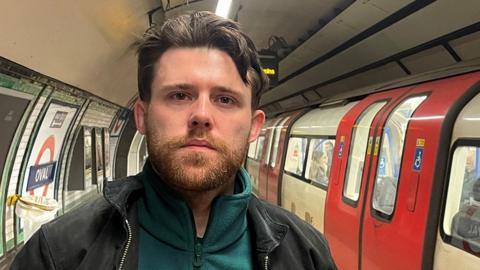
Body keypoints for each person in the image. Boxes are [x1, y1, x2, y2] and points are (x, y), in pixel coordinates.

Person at [11, 11, 336, 270]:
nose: (201, 115)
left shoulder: (307, 254)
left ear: (254, 126)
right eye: (180, 95)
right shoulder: (56, 254)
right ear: (142, 116)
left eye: (225, 100)